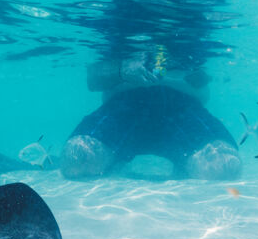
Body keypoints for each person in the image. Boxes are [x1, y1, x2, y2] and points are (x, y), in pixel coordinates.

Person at [61, 55, 242, 180]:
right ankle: (114, 157)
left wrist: (177, 77)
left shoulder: (195, 20)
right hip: (125, 105)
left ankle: (115, 158)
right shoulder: (117, 17)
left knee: (225, 167)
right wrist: (121, 70)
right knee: (77, 159)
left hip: (182, 107)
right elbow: (92, 79)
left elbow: (208, 83)